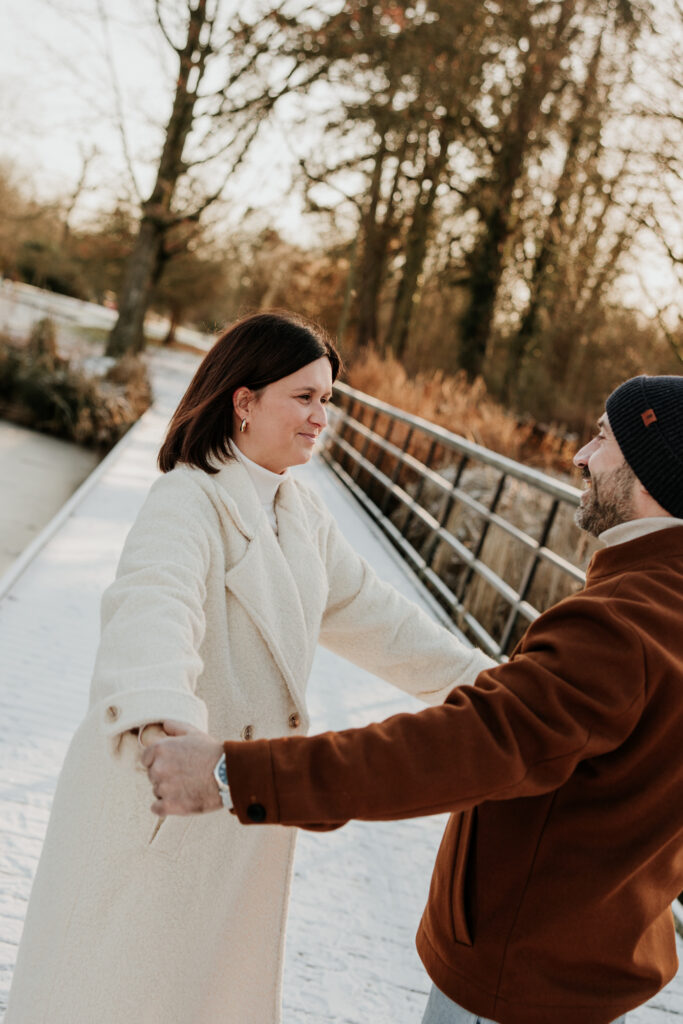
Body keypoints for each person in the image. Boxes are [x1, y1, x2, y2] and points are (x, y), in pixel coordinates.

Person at [143, 374, 683, 1024]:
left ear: (651, 470)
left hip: (518, 978)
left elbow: (452, 750)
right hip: (597, 962)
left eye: (601, 439)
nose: (579, 457)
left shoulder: (618, 624)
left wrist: (236, 774)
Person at [5, 311, 495, 1024]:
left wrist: (508, 689)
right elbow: (154, 607)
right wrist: (166, 722)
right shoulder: (187, 498)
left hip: (234, 811)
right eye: (304, 397)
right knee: (122, 997)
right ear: (245, 400)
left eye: (327, 399)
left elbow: (388, 624)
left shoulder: (301, 513)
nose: (321, 416)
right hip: (164, 800)